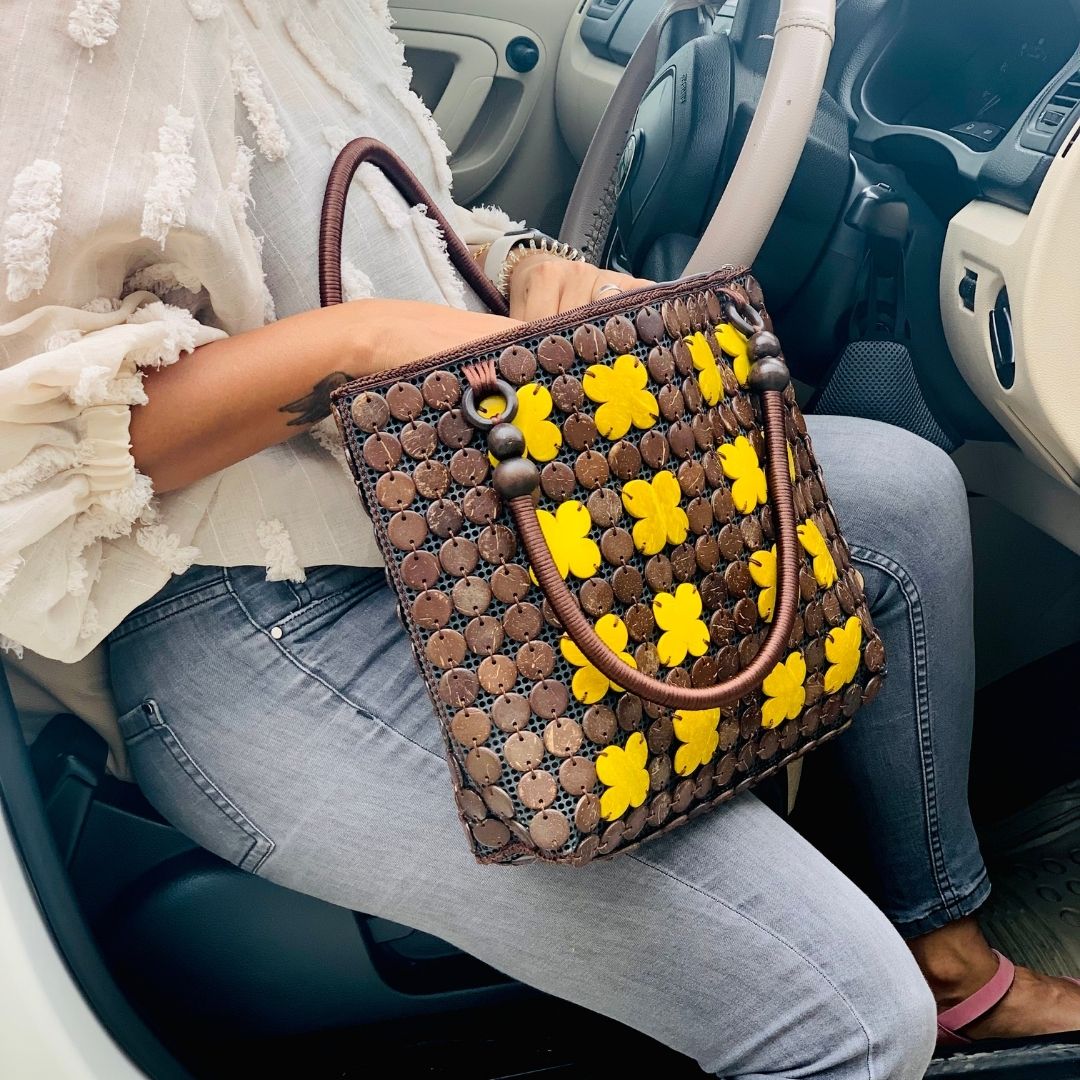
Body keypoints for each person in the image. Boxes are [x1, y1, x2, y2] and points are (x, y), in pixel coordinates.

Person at [1, 4, 1077, 1076]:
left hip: (441, 506)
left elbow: (383, 228)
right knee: (851, 1026)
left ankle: (949, 958)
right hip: (258, 606)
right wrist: (361, 344)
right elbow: (27, 442)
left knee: (899, 490)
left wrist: (524, 266)